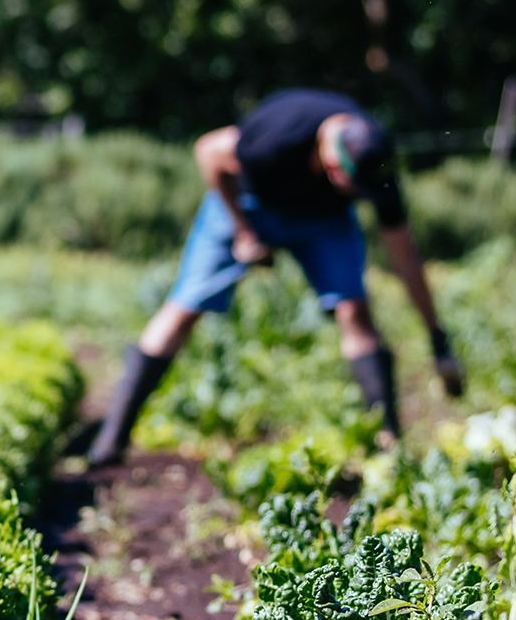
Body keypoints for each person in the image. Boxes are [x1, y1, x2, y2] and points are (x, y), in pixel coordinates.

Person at [88, 88, 465, 466]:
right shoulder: (278, 136)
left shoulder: (375, 165)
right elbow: (208, 150)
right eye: (350, 185)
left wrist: (437, 338)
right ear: (333, 164)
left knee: (355, 311)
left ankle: (389, 449)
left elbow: (405, 257)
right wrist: (244, 232)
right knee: (184, 308)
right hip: (248, 202)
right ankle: (112, 438)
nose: (357, 195)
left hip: (322, 220)